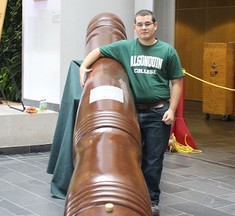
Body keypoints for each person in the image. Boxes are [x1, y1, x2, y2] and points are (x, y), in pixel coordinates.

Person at [79, 9, 184, 216]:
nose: (143, 28)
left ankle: (151, 200)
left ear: (155, 25)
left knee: (153, 160)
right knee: (131, 157)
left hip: (158, 112)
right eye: (139, 24)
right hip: (133, 112)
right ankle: (134, 195)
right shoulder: (126, 47)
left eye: (147, 24)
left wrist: (172, 110)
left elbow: (177, 82)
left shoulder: (167, 51)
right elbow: (99, 51)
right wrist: (83, 67)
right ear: (134, 27)